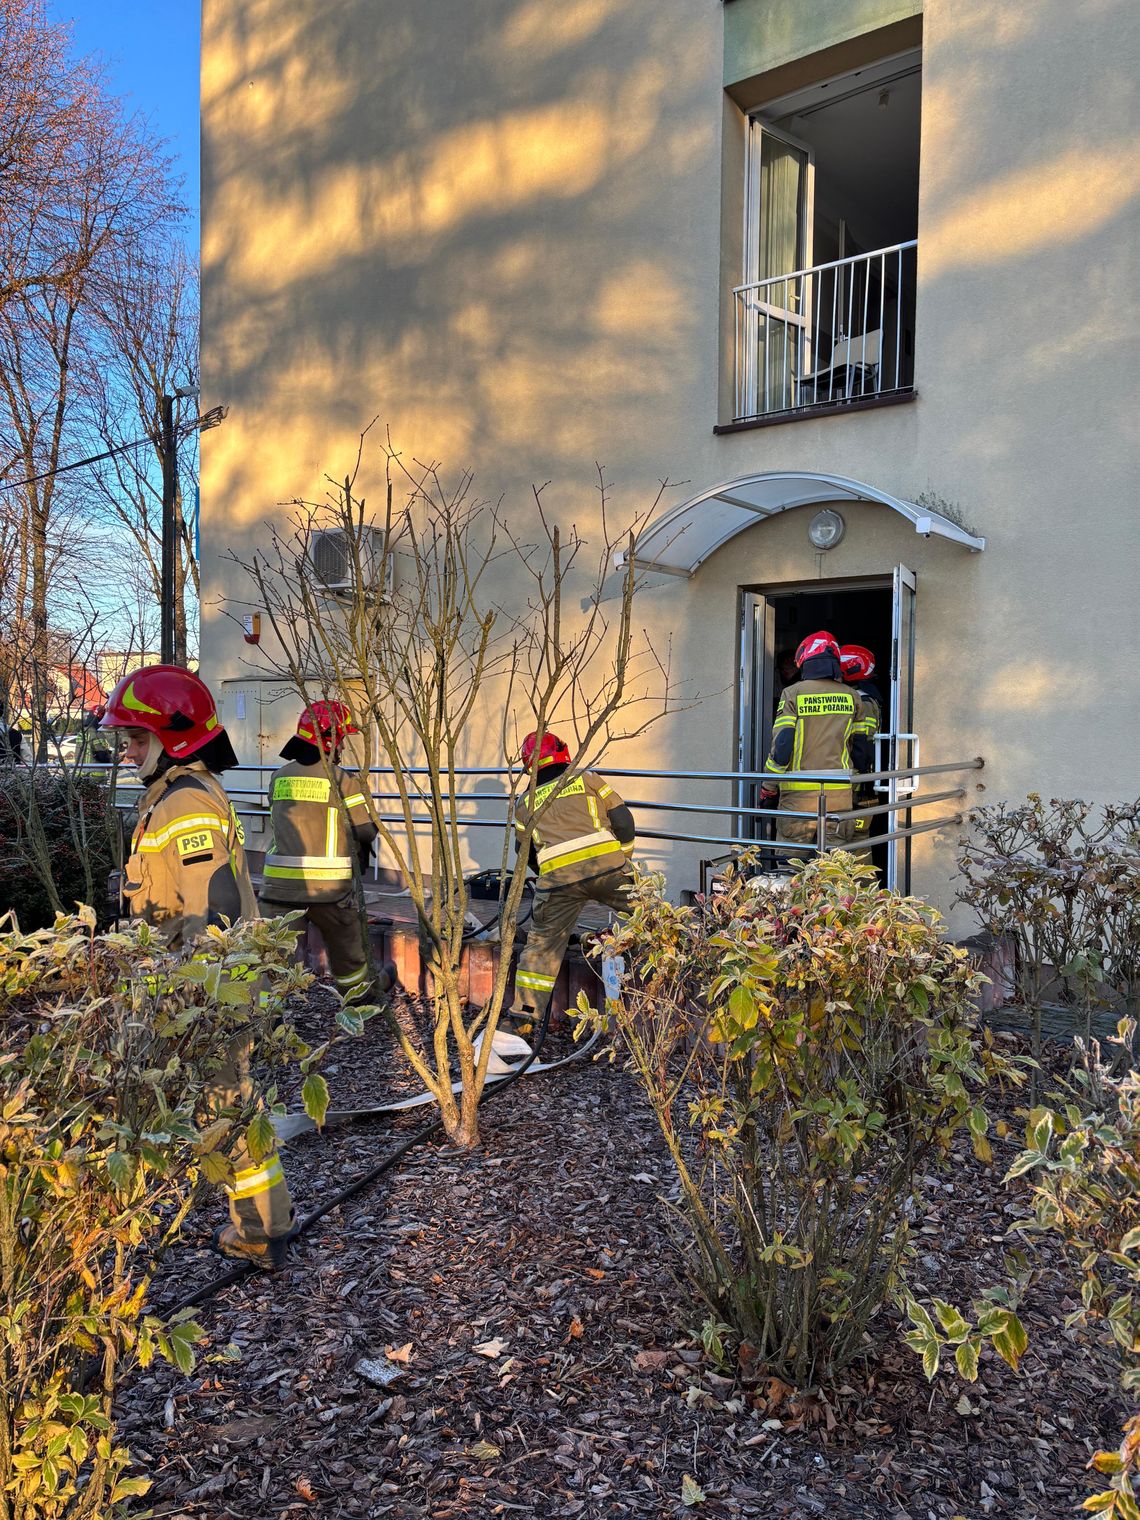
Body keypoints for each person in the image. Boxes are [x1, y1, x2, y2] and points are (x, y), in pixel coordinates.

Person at [100, 664, 297, 1272]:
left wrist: (191, 1006)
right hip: (199, 988)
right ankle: (262, 1220)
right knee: (222, 1105)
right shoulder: (174, 795)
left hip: (208, 992)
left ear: (173, 737)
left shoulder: (184, 804)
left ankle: (263, 1230)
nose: (128, 751)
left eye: (137, 739)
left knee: (228, 1108)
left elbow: (209, 911)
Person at [258, 701, 391, 1004]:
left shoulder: (279, 776)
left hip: (278, 888)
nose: (343, 747)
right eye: (341, 740)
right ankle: (360, 1001)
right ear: (331, 740)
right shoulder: (343, 779)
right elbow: (366, 831)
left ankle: (264, 1023)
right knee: (348, 954)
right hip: (329, 889)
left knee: (272, 961)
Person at [509, 731, 635, 1020]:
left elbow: (524, 850)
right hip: (608, 871)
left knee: (541, 946)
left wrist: (548, 872)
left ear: (528, 764)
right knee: (649, 916)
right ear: (563, 752)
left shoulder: (524, 803)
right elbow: (624, 822)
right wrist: (623, 859)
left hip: (558, 885)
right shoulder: (587, 779)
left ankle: (525, 1016)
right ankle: (680, 963)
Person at [759, 630, 875, 859]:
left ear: (805, 659)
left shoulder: (792, 693)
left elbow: (782, 746)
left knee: (791, 866)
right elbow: (862, 752)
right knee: (835, 868)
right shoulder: (853, 696)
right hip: (840, 795)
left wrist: (768, 787)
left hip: (798, 797)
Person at [839, 644, 882, 864]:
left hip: (858, 790)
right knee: (857, 844)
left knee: (854, 846)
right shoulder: (867, 698)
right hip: (862, 787)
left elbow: (862, 749)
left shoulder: (861, 702)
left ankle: (860, 895)